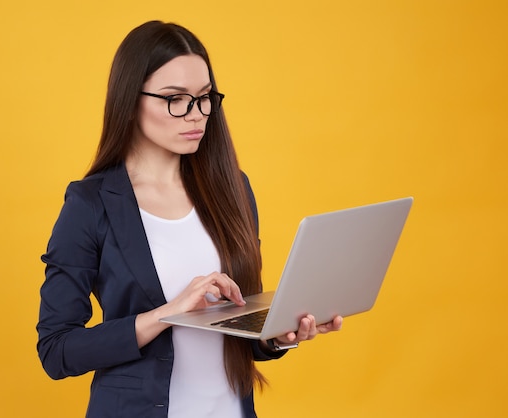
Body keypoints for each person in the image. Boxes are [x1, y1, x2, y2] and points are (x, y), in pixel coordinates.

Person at [36, 20, 343, 418]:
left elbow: (240, 322)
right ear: (130, 102)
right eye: (175, 99)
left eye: (204, 98)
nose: (196, 115)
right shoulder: (90, 203)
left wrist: (277, 336)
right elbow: (57, 350)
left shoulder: (232, 188)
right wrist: (167, 314)